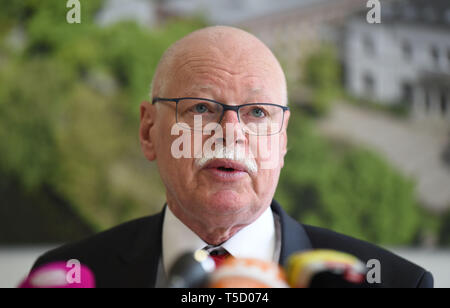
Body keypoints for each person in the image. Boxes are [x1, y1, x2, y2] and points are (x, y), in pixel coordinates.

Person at [31, 26, 433, 288]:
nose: (231, 132)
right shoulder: (66, 276)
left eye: (258, 112)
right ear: (148, 130)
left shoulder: (394, 283)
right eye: (202, 108)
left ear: (282, 140)